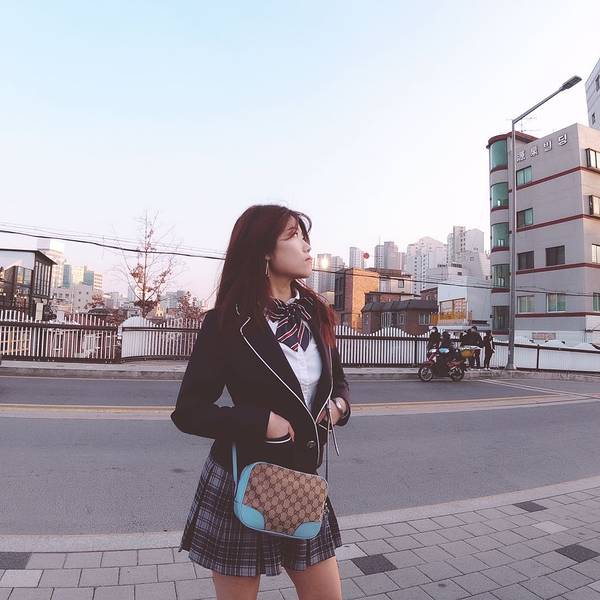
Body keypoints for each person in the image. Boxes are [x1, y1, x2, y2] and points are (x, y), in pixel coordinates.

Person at [171, 205, 351, 600]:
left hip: (301, 483)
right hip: (243, 481)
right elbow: (188, 411)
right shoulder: (227, 322)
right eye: (293, 236)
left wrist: (338, 408)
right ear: (264, 251)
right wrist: (259, 422)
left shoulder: (315, 315)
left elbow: (338, 383)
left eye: (305, 237)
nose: (307, 246)